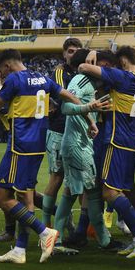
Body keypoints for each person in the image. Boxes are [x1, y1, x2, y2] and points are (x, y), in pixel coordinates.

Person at [0, 49, 80, 264]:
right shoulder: (42, 77)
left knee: (4, 198)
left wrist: (0, 87)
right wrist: (85, 109)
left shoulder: (14, 80)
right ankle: (20, 249)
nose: (1, 73)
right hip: (37, 144)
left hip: (20, 146)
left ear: (7, 66)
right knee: (23, 197)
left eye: (1, 70)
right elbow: (63, 93)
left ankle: (45, 232)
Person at [79, 45, 135, 259]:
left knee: (109, 192)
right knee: (128, 190)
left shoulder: (123, 77)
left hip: (116, 140)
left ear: (122, 61)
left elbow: (83, 67)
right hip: (130, 140)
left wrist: (93, 55)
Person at [52, 48, 120, 252]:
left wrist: (91, 120)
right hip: (76, 146)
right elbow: (65, 108)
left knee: (70, 194)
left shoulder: (90, 82)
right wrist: (89, 108)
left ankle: (55, 240)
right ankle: (104, 241)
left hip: (79, 143)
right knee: (91, 193)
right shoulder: (80, 80)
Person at [42, 37, 83, 227]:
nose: (73, 55)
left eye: (77, 51)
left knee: (82, 180)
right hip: (59, 130)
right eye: (71, 51)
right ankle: (47, 223)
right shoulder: (59, 72)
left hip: (76, 131)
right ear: (64, 53)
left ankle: (82, 226)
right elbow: (62, 94)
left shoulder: (83, 72)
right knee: (57, 177)